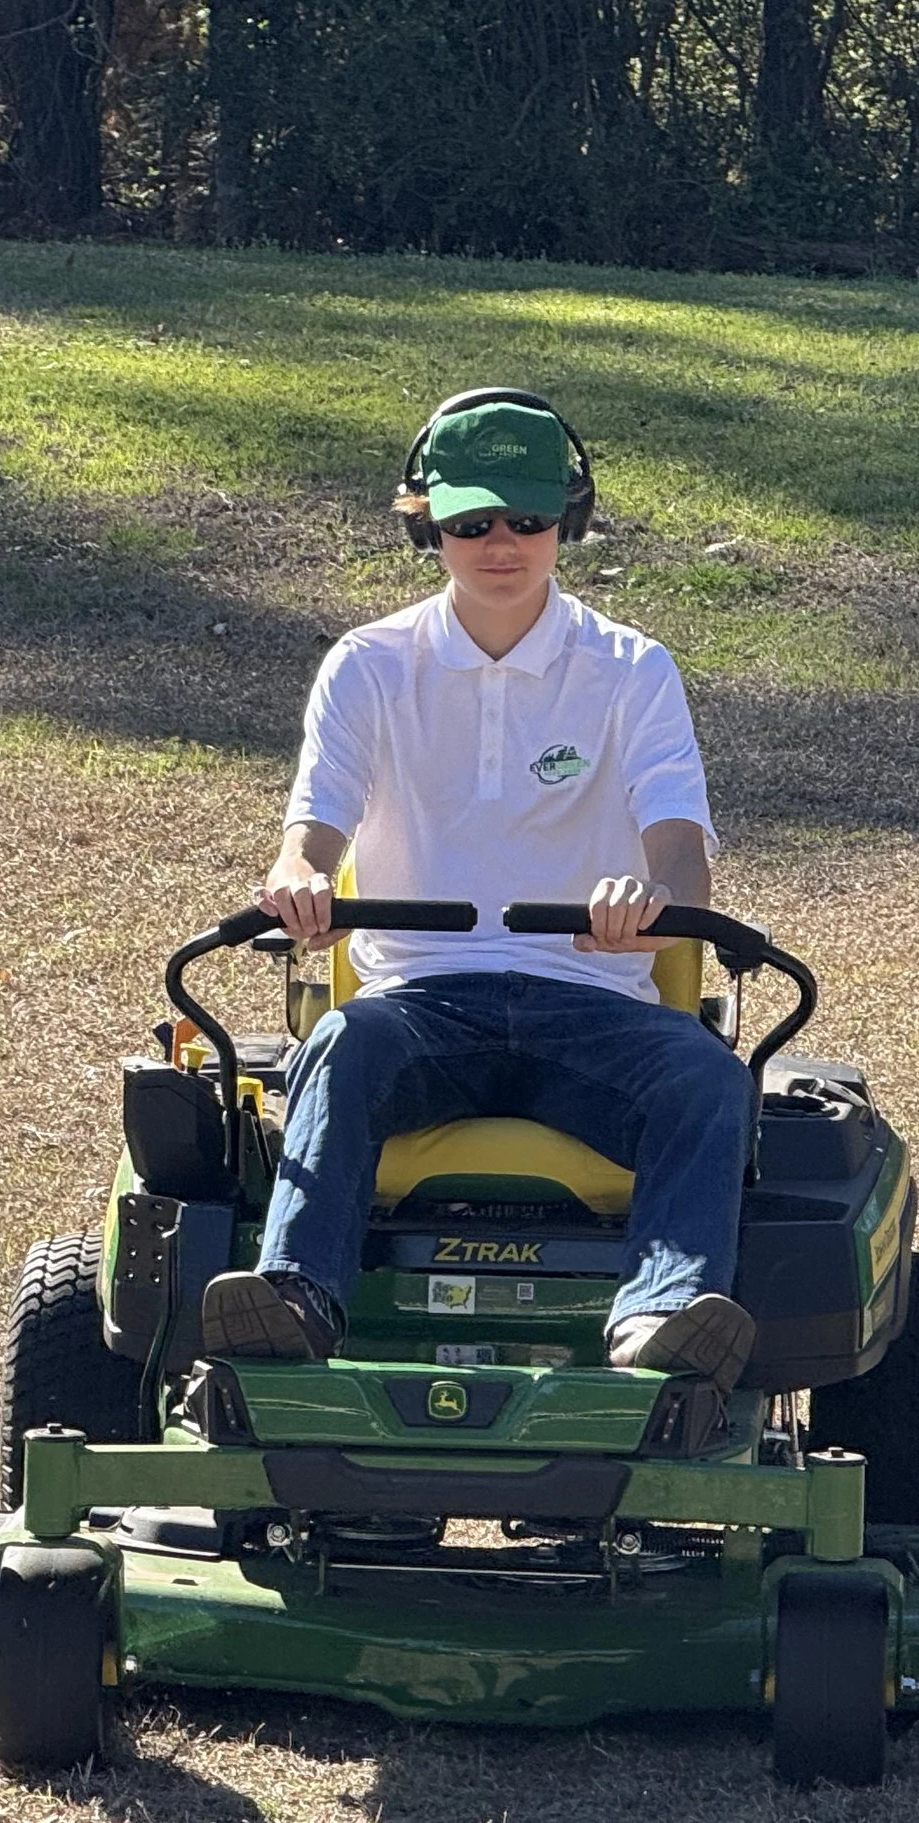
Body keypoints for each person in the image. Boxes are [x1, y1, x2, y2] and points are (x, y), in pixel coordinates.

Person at [197, 389, 760, 1389]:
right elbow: (313, 826)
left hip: (594, 1004)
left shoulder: (631, 670)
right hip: (421, 1007)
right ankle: (294, 1297)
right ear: (428, 527)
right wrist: (295, 878)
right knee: (341, 1040)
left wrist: (653, 901)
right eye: (471, 523)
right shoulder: (368, 666)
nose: (501, 543)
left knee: (705, 1077)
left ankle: (664, 1313)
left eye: (528, 520)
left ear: (568, 522)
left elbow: (681, 851)